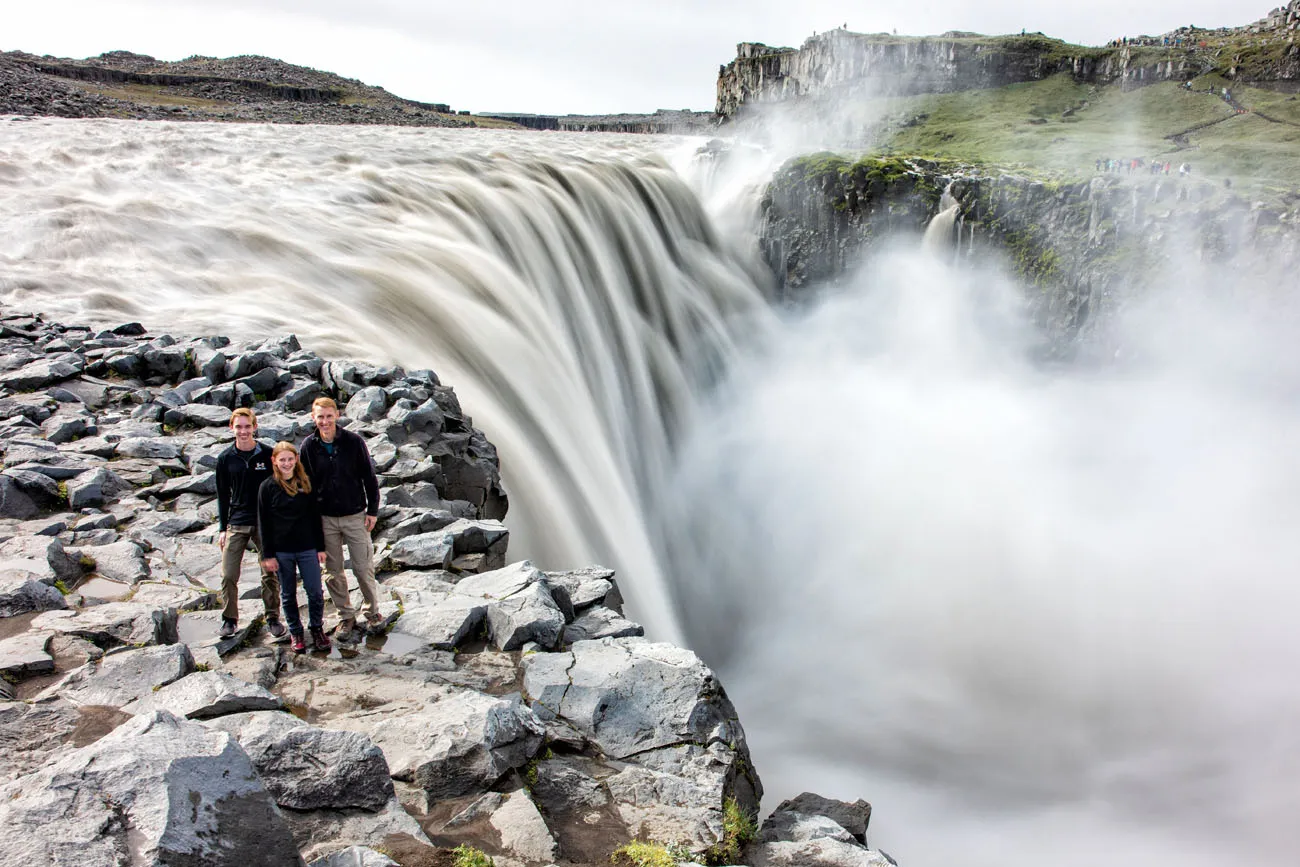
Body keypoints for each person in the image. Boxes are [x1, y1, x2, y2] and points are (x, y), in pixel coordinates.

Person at [300, 396, 383, 641]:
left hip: (355, 514)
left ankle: (372, 612)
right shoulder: (308, 446)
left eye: (329, 416)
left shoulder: (353, 442)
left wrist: (373, 511)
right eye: (320, 417)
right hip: (325, 518)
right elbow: (306, 486)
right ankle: (346, 617)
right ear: (313, 418)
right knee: (333, 571)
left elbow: (369, 477)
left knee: (362, 566)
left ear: (337, 415)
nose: (325, 421)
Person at [214, 408, 286, 640]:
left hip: (264, 521)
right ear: (231, 428)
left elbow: (279, 487)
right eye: (239, 427)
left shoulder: (267, 454)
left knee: (269, 572)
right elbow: (222, 494)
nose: (243, 431)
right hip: (237, 521)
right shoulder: (225, 459)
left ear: (255, 427)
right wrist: (222, 528)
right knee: (228, 574)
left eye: (247, 426)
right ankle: (229, 619)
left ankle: (273, 618)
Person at [259, 441, 330, 653]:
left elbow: (315, 518)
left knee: (315, 591)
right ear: (274, 461)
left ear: (296, 459)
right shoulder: (267, 487)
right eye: (282, 460)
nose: (286, 463)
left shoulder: (306, 484)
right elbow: (264, 523)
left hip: (307, 547)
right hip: (282, 551)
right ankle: (296, 632)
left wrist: (321, 547)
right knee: (288, 594)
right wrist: (268, 555)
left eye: (290, 459)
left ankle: (317, 628)